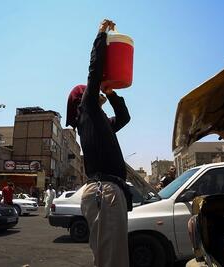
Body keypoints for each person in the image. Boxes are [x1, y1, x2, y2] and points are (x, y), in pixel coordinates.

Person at [66, 19, 131, 267]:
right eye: (92, 92)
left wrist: (112, 94)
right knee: (112, 261)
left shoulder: (99, 122)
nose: (99, 94)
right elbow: (94, 71)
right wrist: (101, 35)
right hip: (105, 192)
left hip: (108, 192)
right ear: (84, 99)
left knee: (109, 258)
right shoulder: (88, 112)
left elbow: (124, 118)